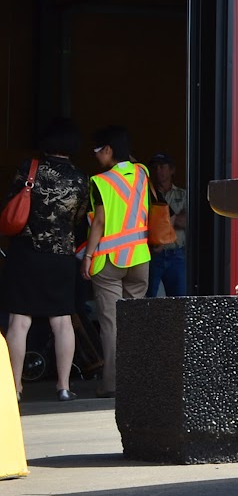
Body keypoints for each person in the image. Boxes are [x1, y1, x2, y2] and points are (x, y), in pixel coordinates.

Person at [4, 118, 90, 402]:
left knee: (19, 321)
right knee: (63, 321)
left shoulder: (30, 168)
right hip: (61, 257)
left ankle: (15, 387)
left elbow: (11, 204)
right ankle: (64, 387)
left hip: (26, 253)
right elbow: (79, 220)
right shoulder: (81, 179)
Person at [82, 125, 152, 398]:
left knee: (111, 323)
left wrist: (87, 256)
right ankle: (137, 382)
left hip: (109, 261)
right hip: (139, 257)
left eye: (98, 150)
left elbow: (98, 222)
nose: (96, 156)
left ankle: (111, 384)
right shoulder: (142, 172)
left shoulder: (100, 181)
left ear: (108, 150)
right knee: (134, 322)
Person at [146, 152, 187, 297]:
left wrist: (160, 224)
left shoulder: (183, 195)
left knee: (179, 299)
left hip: (176, 254)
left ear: (172, 170)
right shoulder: (148, 195)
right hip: (153, 253)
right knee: (148, 299)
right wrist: (174, 219)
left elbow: (187, 221)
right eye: (155, 167)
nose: (158, 171)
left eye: (162, 167)